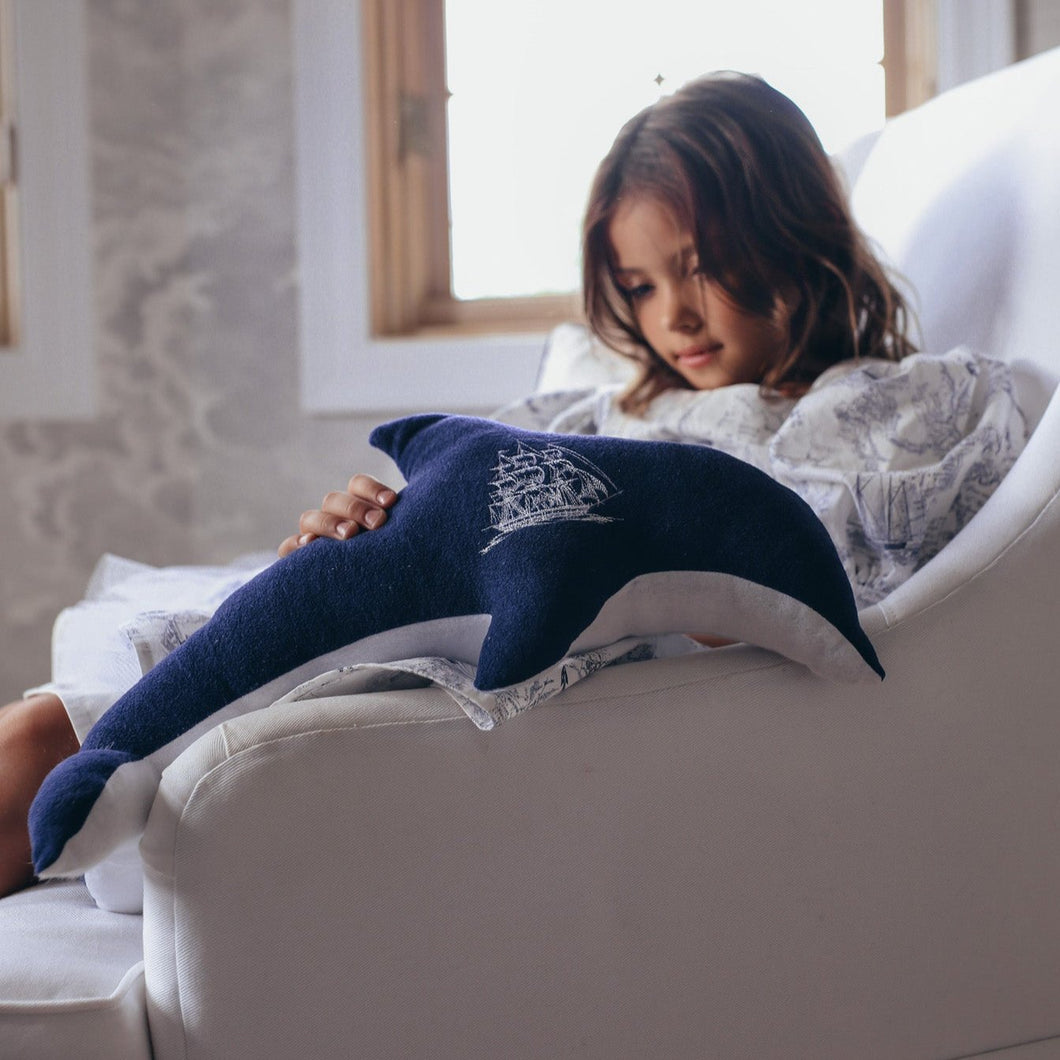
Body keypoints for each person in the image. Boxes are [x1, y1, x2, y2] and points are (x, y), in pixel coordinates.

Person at [0, 72, 1026, 898]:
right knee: (47, 719)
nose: (673, 315)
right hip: (395, 610)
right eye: (638, 286)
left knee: (43, 745)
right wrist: (356, 524)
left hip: (534, 657)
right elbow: (458, 497)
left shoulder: (892, 406)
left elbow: (820, 575)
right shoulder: (599, 409)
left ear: (790, 235)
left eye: (704, 265)